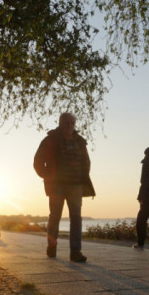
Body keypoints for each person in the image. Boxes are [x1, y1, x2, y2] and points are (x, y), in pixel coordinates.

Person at [34, 112, 95, 262]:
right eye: (67, 123)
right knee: (55, 217)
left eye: (72, 123)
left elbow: (86, 162)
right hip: (57, 186)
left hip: (75, 186)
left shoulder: (80, 141)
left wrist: (82, 178)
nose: (69, 126)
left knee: (76, 218)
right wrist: (47, 176)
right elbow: (37, 162)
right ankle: (52, 246)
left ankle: (76, 252)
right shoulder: (50, 140)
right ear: (60, 123)